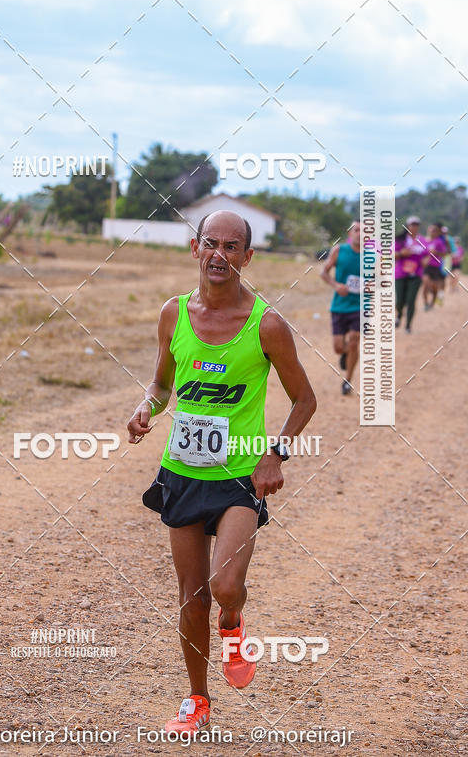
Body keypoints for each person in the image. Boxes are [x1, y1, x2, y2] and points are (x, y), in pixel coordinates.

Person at [127, 210, 316, 735]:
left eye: (232, 247)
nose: (219, 254)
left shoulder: (267, 324)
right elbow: (163, 384)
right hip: (182, 472)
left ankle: (233, 625)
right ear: (195, 248)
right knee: (192, 595)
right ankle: (196, 701)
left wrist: (274, 454)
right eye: (211, 243)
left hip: (238, 476)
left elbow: (305, 398)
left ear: (247, 258)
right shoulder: (172, 314)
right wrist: (147, 407)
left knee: (225, 586)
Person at [320, 220, 361, 395]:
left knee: (354, 340)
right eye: (357, 230)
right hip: (339, 306)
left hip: (360, 306)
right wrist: (336, 285)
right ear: (350, 233)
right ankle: (346, 353)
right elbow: (323, 272)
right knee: (338, 347)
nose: (360, 233)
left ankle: (348, 380)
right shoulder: (339, 251)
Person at [394, 216, 428, 333]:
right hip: (401, 274)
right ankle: (399, 315)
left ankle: (408, 325)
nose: (414, 227)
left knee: (411, 300)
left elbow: (427, 254)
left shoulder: (422, 241)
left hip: (416, 274)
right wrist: (401, 253)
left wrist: (426, 260)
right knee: (400, 301)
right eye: (412, 224)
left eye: (416, 225)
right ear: (407, 226)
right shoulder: (400, 240)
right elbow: (391, 255)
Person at [422, 223, 448, 310]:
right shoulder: (424, 241)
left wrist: (436, 252)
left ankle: (432, 304)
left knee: (434, 287)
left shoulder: (439, 242)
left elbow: (444, 254)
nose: (432, 232)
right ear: (428, 231)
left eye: (434, 231)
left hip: (436, 267)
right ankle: (425, 304)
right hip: (426, 266)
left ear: (437, 233)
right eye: (431, 231)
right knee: (425, 284)